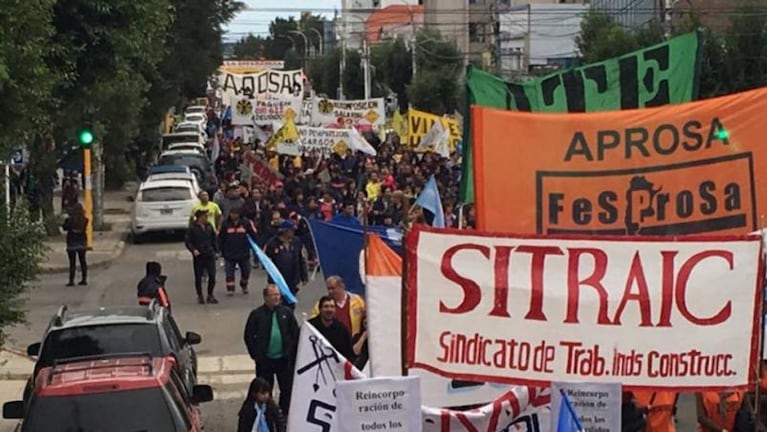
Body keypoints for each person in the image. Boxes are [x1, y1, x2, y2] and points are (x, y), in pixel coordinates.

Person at [243, 285, 299, 415]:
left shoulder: (286, 312)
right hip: (265, 360)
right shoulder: (257, 314)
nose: (277, 297)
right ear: (266, 297)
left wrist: (291, 351)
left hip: (283, 360)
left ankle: (283, 413)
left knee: (287, 389)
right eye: (273, 295)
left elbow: (294, 332)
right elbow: (248, 336)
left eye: (278, 294)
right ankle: (267, 413)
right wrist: (255, 355)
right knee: (264, 390)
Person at [264, 220, 307, 305]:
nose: (293, 232)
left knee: (290, 303)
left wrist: (304, 276)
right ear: (285, 231)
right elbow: (266, 259)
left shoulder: (296, 242)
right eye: (291, 230)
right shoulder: (272, 243)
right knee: (276, 302)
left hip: (292, 278)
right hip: (277, 279)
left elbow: (301, 259)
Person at [218, 206, 257, 295]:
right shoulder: (225, 224)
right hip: (229, 253)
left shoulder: (246, 223)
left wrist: (254, 247)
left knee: (246, 271)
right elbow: (221, 238)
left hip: (243, 252)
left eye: (235, 214)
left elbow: (253, 234)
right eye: (232, 213)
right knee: (229, 273)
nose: (233, 215)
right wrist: (220, 250)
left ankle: (244, 285)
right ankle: (230, 289)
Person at [185, 209, 219, 304]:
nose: (206, 218)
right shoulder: (192, 228)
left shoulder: (209, 226)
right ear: (200, 217)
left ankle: (210, 294)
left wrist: (216, 251)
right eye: (205, 216)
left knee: (212, 275)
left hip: (209, 253)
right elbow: (188, 241)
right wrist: (193, 250)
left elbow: (214, 239)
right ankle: (200, 295)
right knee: (198, 276)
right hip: (199, 255)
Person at [308, 295, 354, 361]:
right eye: (326, 306)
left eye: (332, 307)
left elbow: (348, 354)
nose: (329, 309)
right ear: (320, 309)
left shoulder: (342, 330)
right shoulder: (310, 327)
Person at [62, 202, 88, 286]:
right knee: (82, 261)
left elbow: (64, 228)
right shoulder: (85, 220)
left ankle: (71, 280)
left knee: (72, 263)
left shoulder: (69, 220)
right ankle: (84, 279)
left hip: (72, 242)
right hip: (82, 242)